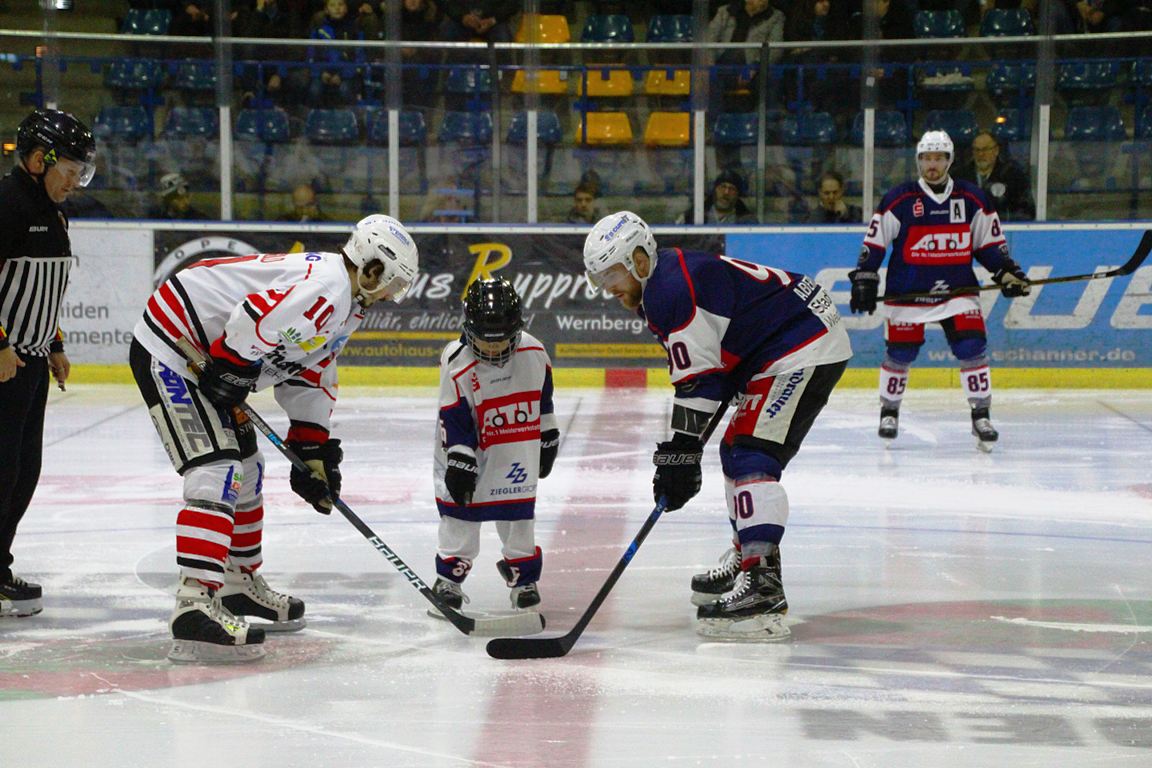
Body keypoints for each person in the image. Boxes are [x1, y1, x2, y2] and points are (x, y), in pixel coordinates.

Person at [129, 214, 419, 661]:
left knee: (247, 470)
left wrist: (311, 445)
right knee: (216, 468)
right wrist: (232, 365)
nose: (392, 295)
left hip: (208, 352)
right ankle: (193, 605)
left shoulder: (348, 304)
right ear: (372, 268)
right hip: (173, 348)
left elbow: (311, 368)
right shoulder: (328, 289)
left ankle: (237, 584)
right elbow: (252, 320)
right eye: (392, 283)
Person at [583, 211, 852, 641]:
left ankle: (762, 586)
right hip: (784, 338)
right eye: (600, 278)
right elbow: (710, 368)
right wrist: (683, 450)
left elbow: (700, 384)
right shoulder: (663, 282)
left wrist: (681, 451)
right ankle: (749, 556)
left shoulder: (670, 290)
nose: (608, 287)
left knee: (751, 452)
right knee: (735, 450)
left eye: (612, 274)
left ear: (638, 259)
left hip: (802, 342)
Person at [848, 130, 1031, 451]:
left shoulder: (972, 198)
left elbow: (988, 244)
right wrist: (865, 278)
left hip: (957, 292)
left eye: (939, 158)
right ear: (918, 161)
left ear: (950, 161)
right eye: (926, 159)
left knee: (972, 347)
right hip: (908, 293)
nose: (932, 165)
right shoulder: (900, 199)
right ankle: (889, 411)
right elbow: (875, 243)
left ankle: (981, 415)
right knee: (901, 353)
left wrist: (1006, 273)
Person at [0, 108, 97, 619]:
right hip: (5, 361)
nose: (75, 182)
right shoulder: (7, 204)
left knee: (23, 471)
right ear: (39, 160)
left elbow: (45, 287)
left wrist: (54, 341)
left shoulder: (53, 212)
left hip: (31, 362)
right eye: (71, 170)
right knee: (4, 471)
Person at [431, 278, 558, 613]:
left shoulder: (534, 352)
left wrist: (548, 434)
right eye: (484, 341)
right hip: (470, 448)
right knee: (460, 515)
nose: (492, 349)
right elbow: (454, 414)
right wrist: (460, 458)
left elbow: (544, 398)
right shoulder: (457, 361)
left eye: (501, 339)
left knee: (519, 516)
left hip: (516, 445)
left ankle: (524, 580)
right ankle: (448, 580)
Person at [953, 131, 1035, 222]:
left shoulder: (1013, 176)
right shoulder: (959, 176)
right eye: (977, 150)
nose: (981, 154)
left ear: (996, 150)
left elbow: (1027, 212)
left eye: (985, 149)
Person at [678, 169, 759, 225]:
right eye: (722, 187)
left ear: (737, 195)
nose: (726, 192)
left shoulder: (747, 221)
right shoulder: (691, 217)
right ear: (715, 190)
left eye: (732, 189)